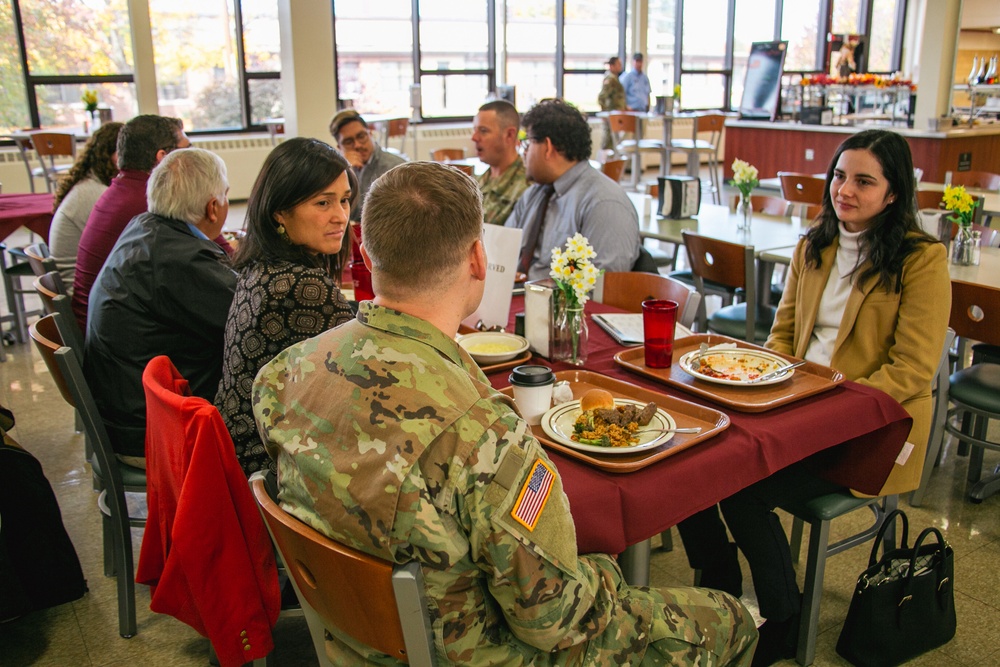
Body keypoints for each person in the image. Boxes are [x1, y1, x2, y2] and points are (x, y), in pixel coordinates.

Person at [253, 161, 757, 666]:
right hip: (471, 654)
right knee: (729, 617)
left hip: (353, 640)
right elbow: (556, 621)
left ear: (365, 252)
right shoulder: (485, 436)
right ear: (478, 258)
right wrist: (604, 567)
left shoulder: (282, 375)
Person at [677, 129, 951, 666]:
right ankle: (720, 577)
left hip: (871, 425)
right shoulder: (816, 243)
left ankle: (784, 614)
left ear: (894, 194)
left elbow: (912, 369)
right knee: (690, 454)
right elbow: (782, 336)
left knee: (742, 486)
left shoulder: (921, 260)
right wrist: (770, 379)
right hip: (798, 405)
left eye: (864, 181)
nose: (843, 190)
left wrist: (829, 403)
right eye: (839, 175)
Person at [84, 148, 237, 469]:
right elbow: (250, 317)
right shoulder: (181, 260)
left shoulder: (145, 227)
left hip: (127, 408)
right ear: (213, 208)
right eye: (225, 196)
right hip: (149, 429)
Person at [214, 138, 356, 477]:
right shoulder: (300, 287)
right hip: (268, 472)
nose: (341, 216)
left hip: (237, 452)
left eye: (345, 200)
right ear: (280, 211)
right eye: (323, 203)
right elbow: (360, 384)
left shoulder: (260, 264)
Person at [70, 114, 232, 332]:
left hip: (109, 334)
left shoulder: (136, 210)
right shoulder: (148, 203)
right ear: (164, 158)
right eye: (186, 148)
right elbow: (231, 281)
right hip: (132, 350)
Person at [505, 99, 640, 280]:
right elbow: (502, 253)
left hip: (561, 305)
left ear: (547, 147)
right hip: (519, 300)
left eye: (527, 144)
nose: (524, 152)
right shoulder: (534, 195)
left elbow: (600, 288)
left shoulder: (604, 204)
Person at [48, 121, 123, 292]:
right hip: (83, 295)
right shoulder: (96, 195)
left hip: (79, 287)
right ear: (114, 156)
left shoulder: (88, 184)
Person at [328, 109, 407, 223]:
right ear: (339, 148)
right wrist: (346, 171)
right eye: (348, 142)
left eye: (361, 136)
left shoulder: (394, 168)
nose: (357, 145)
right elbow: (346, 213)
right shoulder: (343, 170)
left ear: (370, 134)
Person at [471, 100, 528, 226]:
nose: (474, 137)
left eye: (483, 131)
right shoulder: (477, 182)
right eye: (475, 130)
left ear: (509, 135)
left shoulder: (526, 188)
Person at [599, 56, 626, 151]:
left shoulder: (615, 78)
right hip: (610, 114)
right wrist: (604, 112)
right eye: (618, 64)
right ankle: (603, 164)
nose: (620, 67)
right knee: (608, 142)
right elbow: (602, 97)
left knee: (614, 142)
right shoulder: (610, 79)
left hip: (616, 114)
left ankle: (612, 164)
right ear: (612, 66)